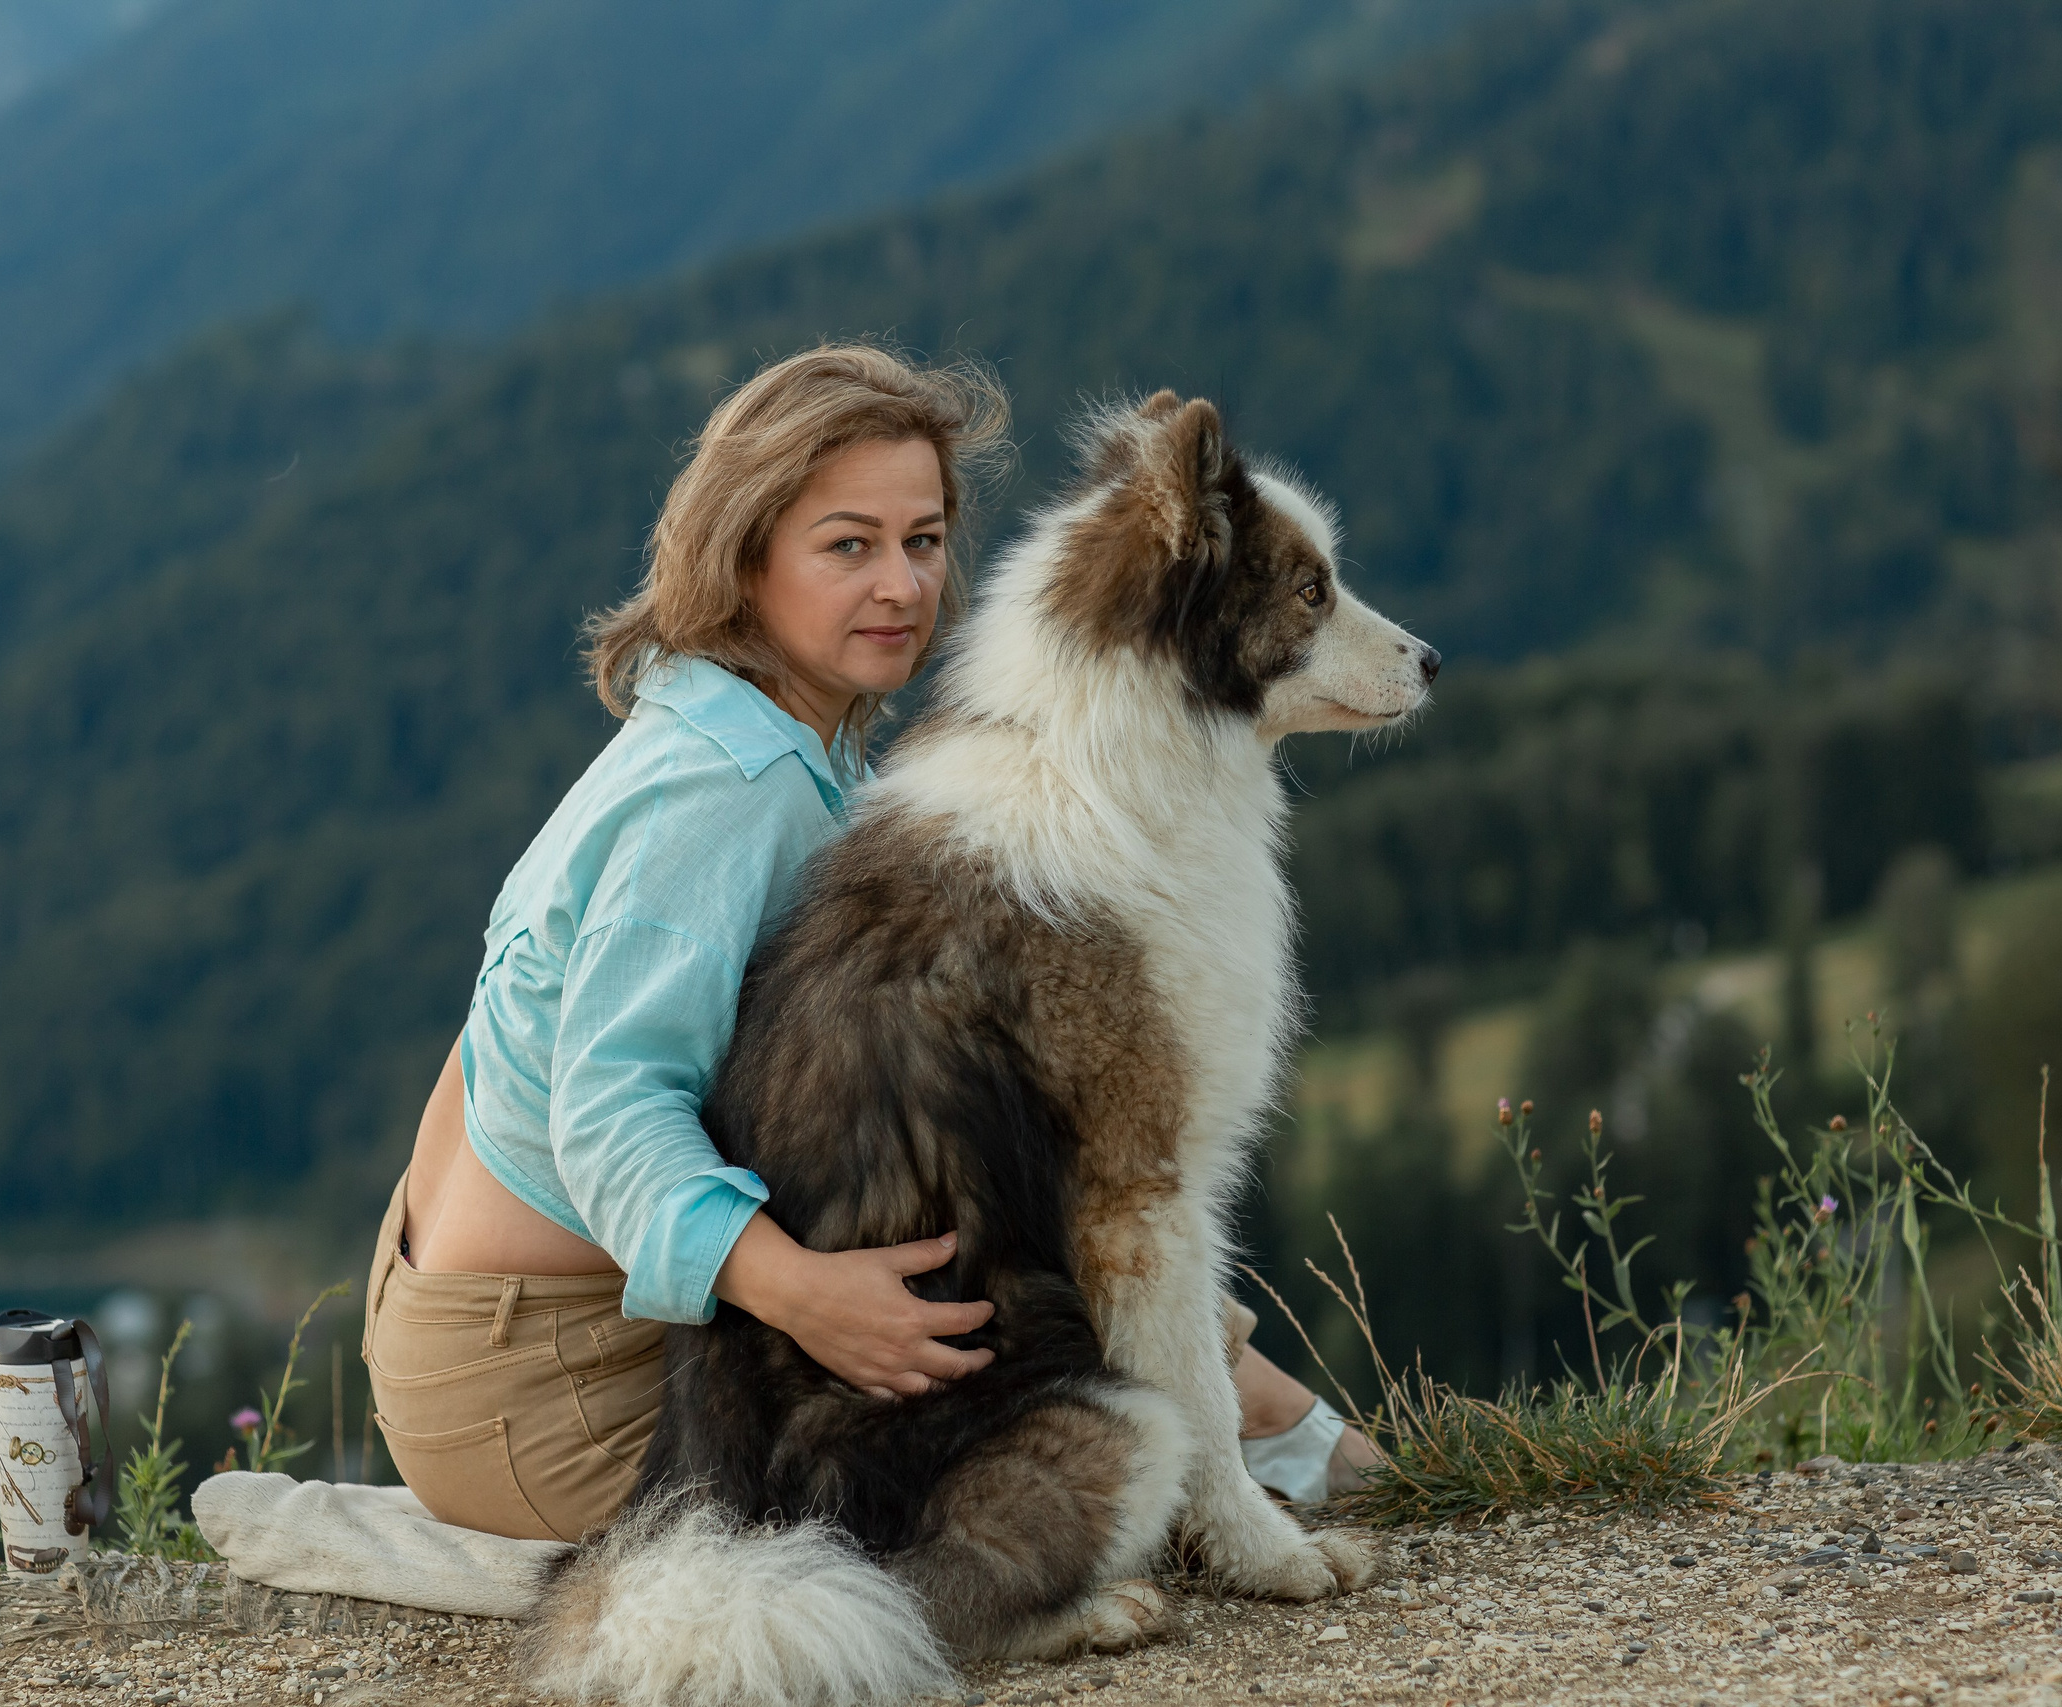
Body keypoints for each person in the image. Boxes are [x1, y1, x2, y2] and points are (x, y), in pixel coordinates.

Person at [360, 344, 1373, 1542]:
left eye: (924, 540)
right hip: (546, 1382)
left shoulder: (761, 732)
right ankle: (1288, 1443)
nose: (901, 585)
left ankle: (1279, 1429)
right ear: (744, 557)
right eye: (848, 547)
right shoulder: (723, 792)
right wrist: (801, 1293)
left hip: (510, 1316)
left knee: (1019, 1142)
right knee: (1003, 1495)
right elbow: (608, 1108)